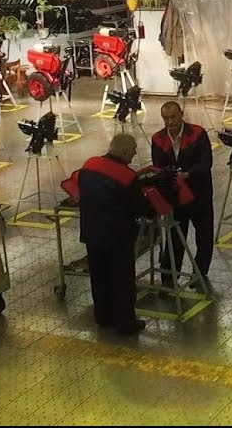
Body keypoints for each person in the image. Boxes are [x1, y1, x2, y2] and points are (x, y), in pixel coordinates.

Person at [78, 133, 150, 336]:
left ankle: (103, 316)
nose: (134, 155)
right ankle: (125, 323)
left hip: (92, 233)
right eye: (133, 151)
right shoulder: (126, 176)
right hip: (117, 238)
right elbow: (139, 207)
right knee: (122, 280)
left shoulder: (89, 165)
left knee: (99, 277)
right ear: (124, 152)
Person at [151, 101, 214, 289]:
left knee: (204, 235)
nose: (170, 122)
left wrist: (187, 174)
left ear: (182, 114)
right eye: (166, 118)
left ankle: (199, 274)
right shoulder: (158, 139)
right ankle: (169, 277)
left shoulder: (198, 134)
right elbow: (159, 168)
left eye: (173, 117)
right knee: (174, 237)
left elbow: (206, 163)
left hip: (199, 195)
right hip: (176, 198)